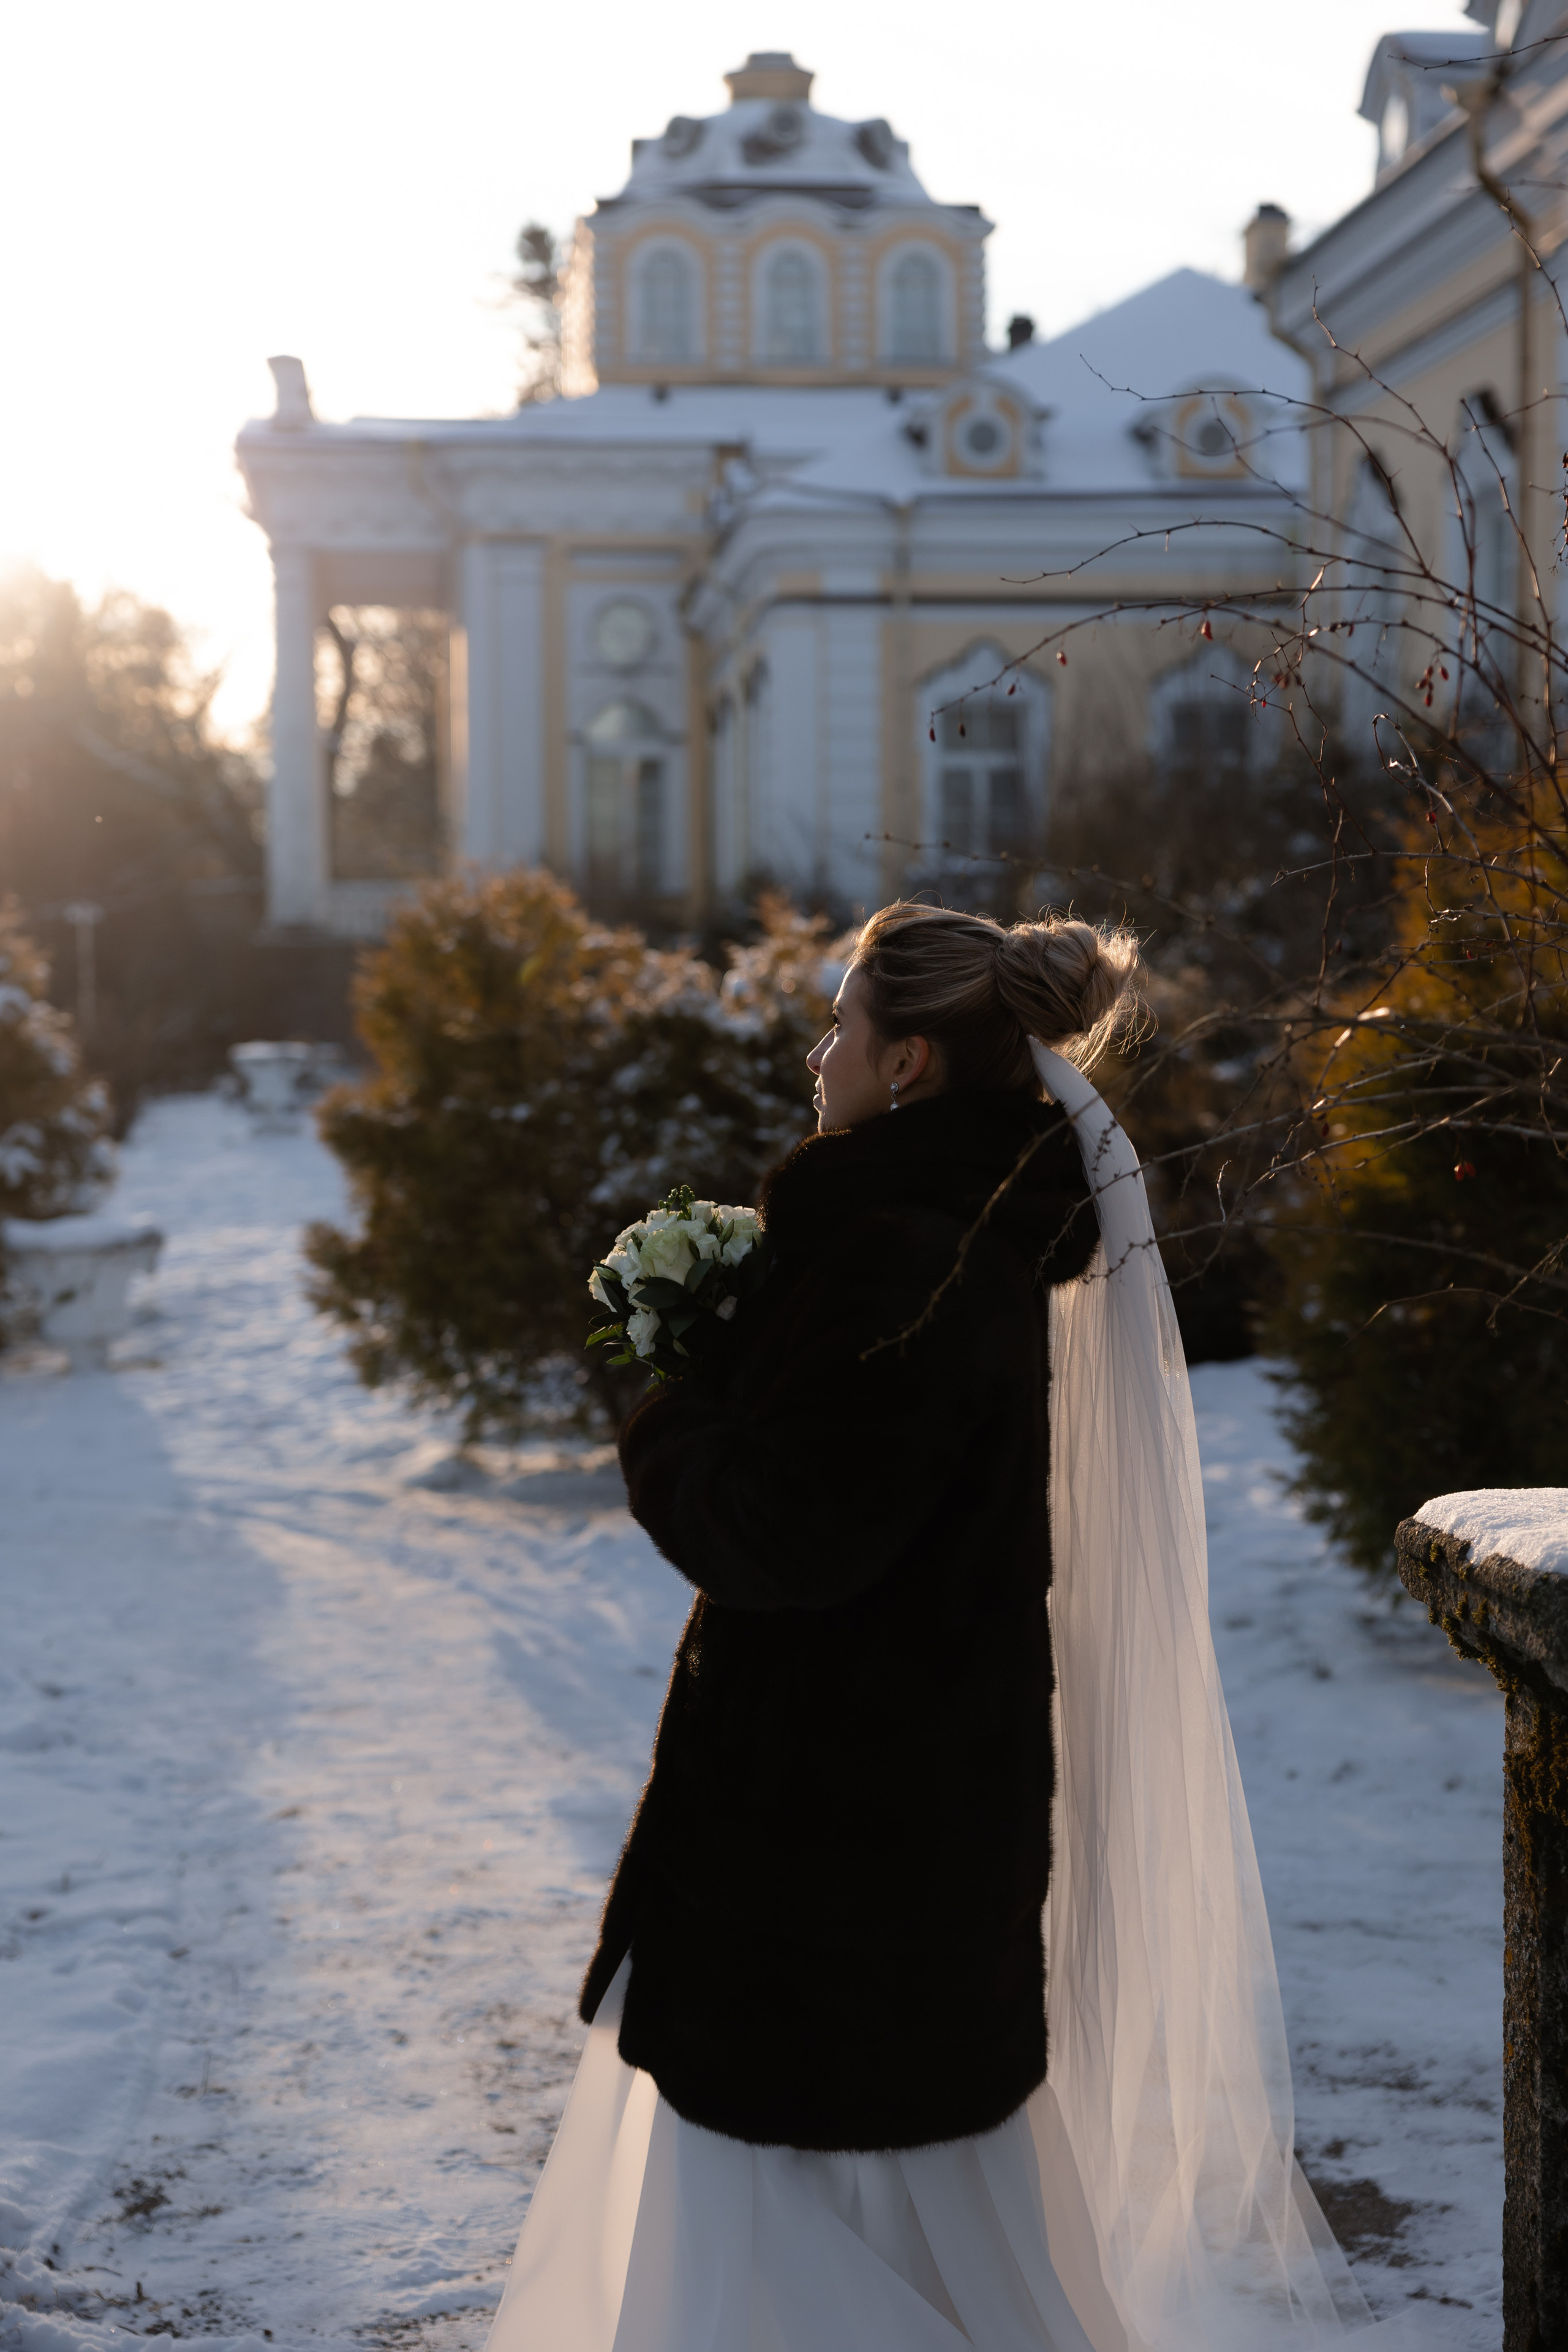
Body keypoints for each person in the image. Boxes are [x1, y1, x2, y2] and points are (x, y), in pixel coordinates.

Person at [486, 903, 1437, 2352]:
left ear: (908, 1062)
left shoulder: (899, 1255)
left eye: (840, 1026)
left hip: (833, 1853)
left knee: (812, 2240)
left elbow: (788, 1530)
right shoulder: (944, 1238)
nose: (818, 1054)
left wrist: (674, 1414)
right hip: (897, 1829)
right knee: (895, 2224)